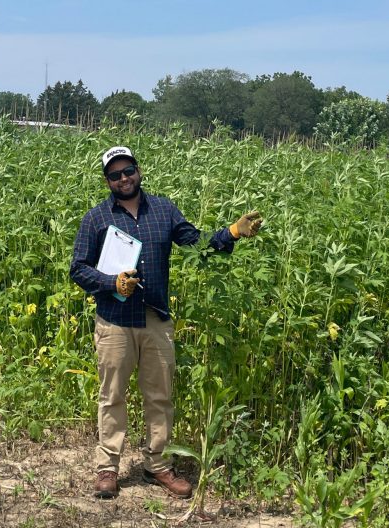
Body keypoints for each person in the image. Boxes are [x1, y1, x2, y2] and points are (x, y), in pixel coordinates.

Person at [70, 146, 261, 499]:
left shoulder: (164, 210)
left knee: (159, 395)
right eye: (115, 175)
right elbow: (78, 270)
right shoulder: (96, 218)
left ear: (138, 171)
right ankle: (107, 468)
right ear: (107, 181)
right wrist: (112, 284)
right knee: (112, 395)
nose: (123, 178)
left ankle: (156, 464)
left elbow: (196, 243)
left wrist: (232, 232)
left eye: (128, 171)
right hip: (114, 320)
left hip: (155, 318)